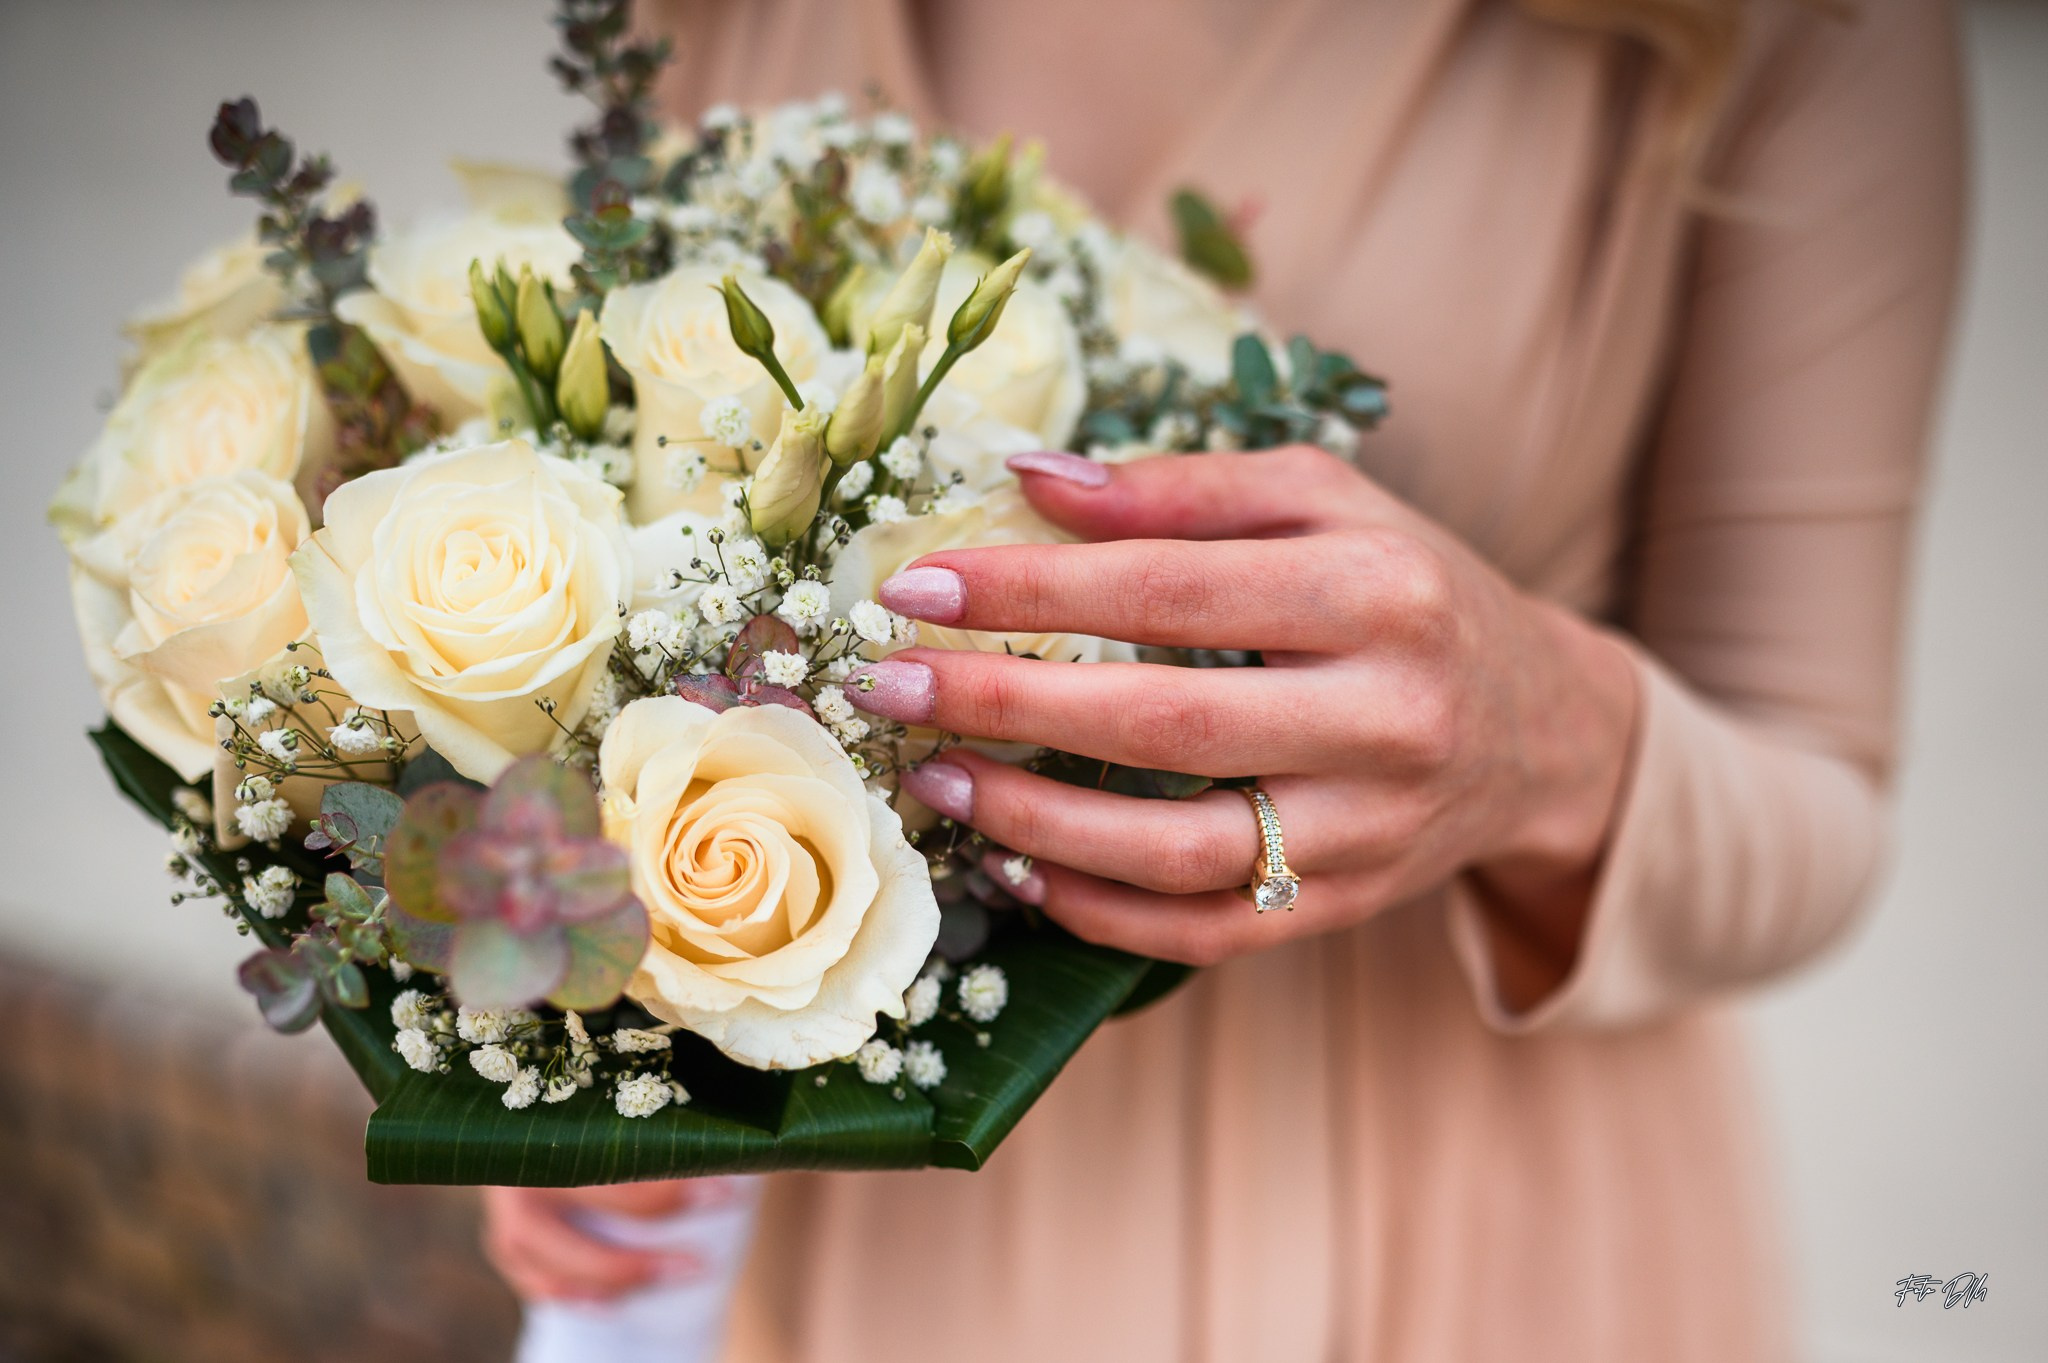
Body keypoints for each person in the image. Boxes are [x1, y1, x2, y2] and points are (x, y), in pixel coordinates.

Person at [483, 1, 1965, 1357]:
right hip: (868, 1212)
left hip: (1463, 1229)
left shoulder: (1777, 32)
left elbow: (1820, 800)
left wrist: (1542, 732)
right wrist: (581, 1051)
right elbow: (630, 554)